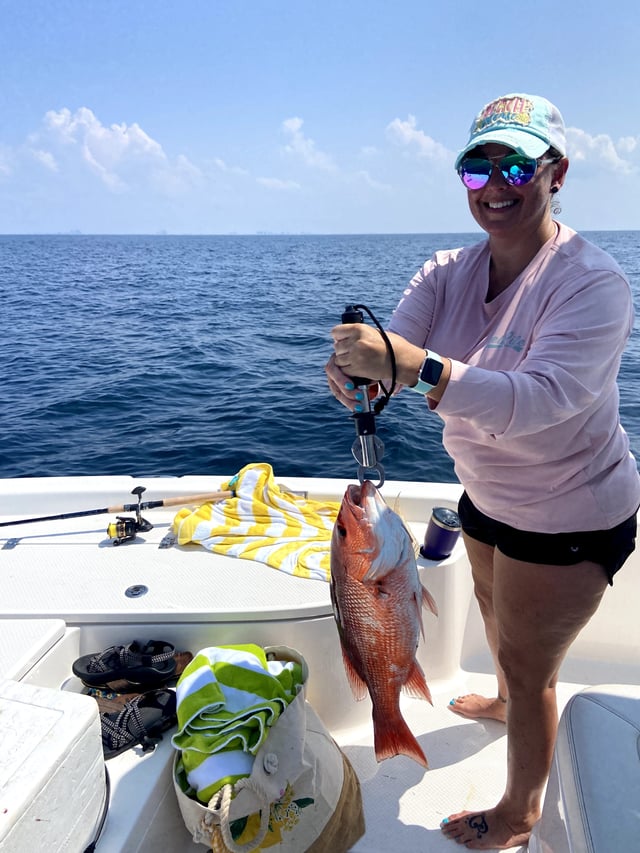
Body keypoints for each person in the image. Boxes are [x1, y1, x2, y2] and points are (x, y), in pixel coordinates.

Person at [325, 93, 640, 850]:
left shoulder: (592, 284)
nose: (495, 182)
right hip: (487, 495)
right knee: (496, 616)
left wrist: (410, 364)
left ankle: (519, 811)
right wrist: (363, 372)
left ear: (556, 171)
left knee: (532, 664)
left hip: (571, 509)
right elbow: (393, 345)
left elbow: (539, 402)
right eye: (478, 165)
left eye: (517, 163)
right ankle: (501, 698)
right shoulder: (445, 271)